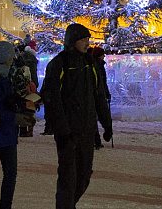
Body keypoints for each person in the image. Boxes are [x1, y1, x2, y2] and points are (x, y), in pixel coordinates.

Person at [41, 24, 113, 209]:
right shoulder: (60, 63)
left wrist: (107, 123)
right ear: (72, 41)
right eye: (82, 40)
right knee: (68, 178)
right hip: (68, 132)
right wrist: (62, 129)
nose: (86, 43)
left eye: (87, 40)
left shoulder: (91, 64)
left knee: (84, 176)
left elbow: (99, 95)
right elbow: (51, 98)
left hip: (87, 130)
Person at [0, 41, 28, 209]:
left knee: (11, 175)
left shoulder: (12, 74)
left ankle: (5, 206)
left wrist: (19, 102)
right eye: (11, 55)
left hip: (9, 133)